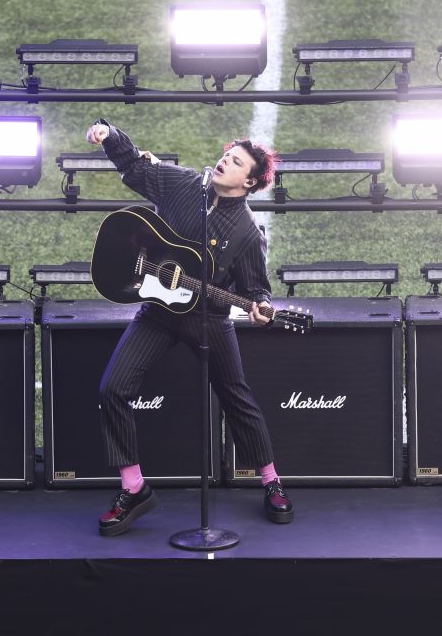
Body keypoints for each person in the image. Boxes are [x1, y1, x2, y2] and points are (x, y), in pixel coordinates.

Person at [86, 118, 294, 537]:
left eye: (235, 163)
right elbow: (135, 168)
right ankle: (134, 489)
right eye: (225, 155)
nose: (223, 162)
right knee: (112, 388)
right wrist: (109, 134)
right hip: (159, 314)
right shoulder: (182, 184)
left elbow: (256, 287)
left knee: (237, 398)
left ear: (250, 182)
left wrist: (263, 307)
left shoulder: (248, 232)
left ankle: (271, 481)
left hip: (209, 321)